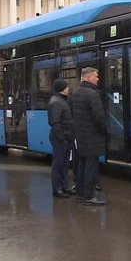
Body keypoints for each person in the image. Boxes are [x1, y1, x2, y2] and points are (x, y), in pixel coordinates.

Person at [70, 67, 108, 206]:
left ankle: (80, 194)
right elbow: (99, 117)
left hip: (80, 136)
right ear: (89, 78)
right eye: (96, 76)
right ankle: (89, 196)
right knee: (91, 167)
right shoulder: (93, 95)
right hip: (92, 136)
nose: (98, 79)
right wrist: (105, 131)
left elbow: (72, 115)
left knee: (81, 165)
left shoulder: (74, 93)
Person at [48, 79, 76, 198]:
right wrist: (61, 138)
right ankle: (57, 189)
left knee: (65, 164)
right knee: (58, 164)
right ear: (61, 89)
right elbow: (55, 122)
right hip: (60, 139)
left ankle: (65, 186)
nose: (68, 88)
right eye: (66, 87)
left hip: (66, 138)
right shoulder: (56, 102)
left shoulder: (63, 100)